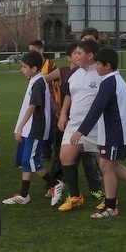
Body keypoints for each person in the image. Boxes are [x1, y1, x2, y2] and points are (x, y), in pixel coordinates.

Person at [71, 47, 126, 217]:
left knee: (106, 166)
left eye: (98, 64)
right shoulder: (112, 80)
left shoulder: (109, 82)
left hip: (115, 131)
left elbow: (96, 108)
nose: (96, 67)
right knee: (109, 165)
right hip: (112, 131)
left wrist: (81, 131)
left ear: (107, 66)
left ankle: (111, 207)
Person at [43, 41, 104, 204]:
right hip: (74, 124)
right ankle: (75, 196)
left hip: (95, 126)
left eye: (78, 53)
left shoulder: (100, 74)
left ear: (89, 56)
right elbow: (68, 95)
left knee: (105, 165)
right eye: (75, 53)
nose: (74, 56)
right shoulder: (74, 74)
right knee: (65, 157)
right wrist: (63, 114)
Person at [2, 50, 64, 206]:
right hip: (29, 128)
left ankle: (54, 183)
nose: (22, 70)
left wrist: (20, 127)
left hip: (35, 128)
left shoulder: (38, 82)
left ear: (34, 68)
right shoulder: (34, 80)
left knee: (30, 160)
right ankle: (24, 195)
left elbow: (32, 107)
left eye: (24, 67)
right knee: (26, 162)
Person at [28, 40, 58, 159]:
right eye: (29, 50)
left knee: (51, 125)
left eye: (33, 50)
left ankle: (49, 151)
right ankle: (43, 151)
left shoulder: (50, 64)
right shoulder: (30, 64)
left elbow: (56, 81)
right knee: (39, 123)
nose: (31, 52)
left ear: (41, 50)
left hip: (49, 99)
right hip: (36, 99)